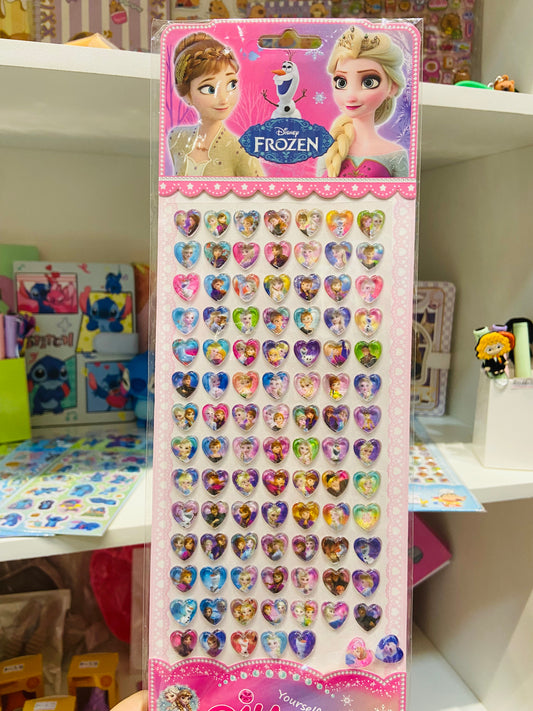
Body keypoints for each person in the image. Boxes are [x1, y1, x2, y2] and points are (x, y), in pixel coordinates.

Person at [168, 32, 264, 177]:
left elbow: (259, 190)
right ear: (187, 95)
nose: (223, 99)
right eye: (209, 89)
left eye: (231, 84)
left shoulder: (240, 151)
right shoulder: (177, 138)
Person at [320, 26, 408, 178]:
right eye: (341, 82)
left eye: (369, 82)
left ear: (392, 87)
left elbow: (404, 194)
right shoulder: (329, 152)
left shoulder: (395, 155)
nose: (351, 96)